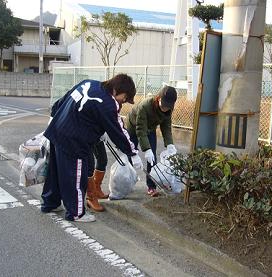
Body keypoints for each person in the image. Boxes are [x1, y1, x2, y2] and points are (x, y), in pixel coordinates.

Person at [41, 74, 143, 222]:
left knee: (55, 171)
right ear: (117, 91)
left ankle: (50, 203)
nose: (123, 101)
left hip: (57, 129)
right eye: (125, 98)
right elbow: (118, 130)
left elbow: (64, 100)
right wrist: (132, 152)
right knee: (76, 176)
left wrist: (53, 117)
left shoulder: (88, 83)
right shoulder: (108, 103)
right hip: (74, 140)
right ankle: (76, 213)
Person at [126, 85, 178, 197]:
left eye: (168, 106)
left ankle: (151, 186)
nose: (165, 108)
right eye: (164, 105)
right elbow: (140, 129)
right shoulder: (145, 106)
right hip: (134, 126)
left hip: (149, 129)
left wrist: (170, 144)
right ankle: (126, 182)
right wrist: (146, 149)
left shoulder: (168, 111)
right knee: (130, 155)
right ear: (158, 98)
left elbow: (166, 128)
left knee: (152, 157)